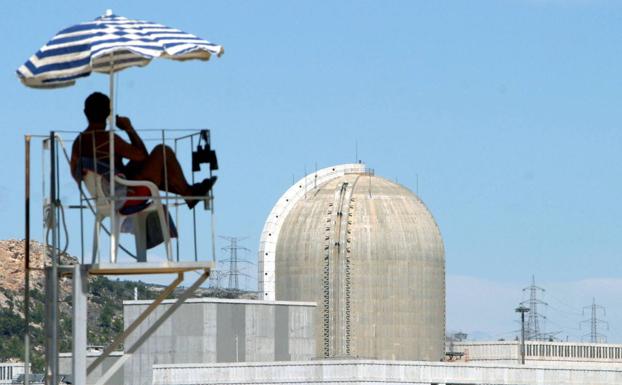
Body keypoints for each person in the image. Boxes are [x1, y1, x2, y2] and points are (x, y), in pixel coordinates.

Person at [70, 92, 215, 209]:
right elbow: (143, 156)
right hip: (125, 197)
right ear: (108, 113)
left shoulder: (79, 142)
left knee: (146, 167)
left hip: (103, 197)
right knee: (162, 151)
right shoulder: (108, 139)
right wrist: (129, 128)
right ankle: (188, 193)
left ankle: (187, 193)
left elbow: (74, 173)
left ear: (85, 113)